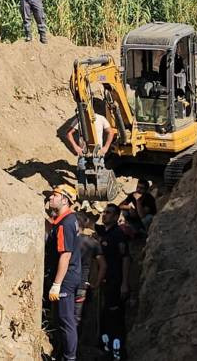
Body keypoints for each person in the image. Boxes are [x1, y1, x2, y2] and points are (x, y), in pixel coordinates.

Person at [45, 184, 81, 361]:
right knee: (60, 319)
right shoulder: (66, 220)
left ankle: (70, 357)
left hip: (65, 278)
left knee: (66, 320)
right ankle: (60, 354)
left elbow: (65, 256)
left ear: (65, 200)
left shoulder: (65, 225)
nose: (51, 198)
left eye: (54, 195)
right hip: (67, 276)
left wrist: (57, 284)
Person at [96, 202, 130, 359]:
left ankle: (118, 354)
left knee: (114, 319)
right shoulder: (106, 232)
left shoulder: (118, 235)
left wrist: (124, 283)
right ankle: (106, 350)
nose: (104, 214)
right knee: (105, 317)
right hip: (106, 281)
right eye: (104, 212)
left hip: (115, 282)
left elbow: (125, 259)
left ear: (116, 217)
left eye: (108, 213)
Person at [65, 98, 115, 185]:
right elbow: (69, 134)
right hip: (84, 153)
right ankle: (83, 195)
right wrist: (76, 147)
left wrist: (106, 148)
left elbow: (111, 132)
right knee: (82, 179)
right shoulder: (80, 119)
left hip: (98, 153)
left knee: (99, 179)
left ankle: (97, 195)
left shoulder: (101, 119)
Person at [75, 212, 105, 336]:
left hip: (66, 283)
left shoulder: (68, 240)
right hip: (83, 285)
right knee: (78, 318)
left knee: (63, 317)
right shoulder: (93, 243)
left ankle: (62, 349)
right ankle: (76, 349)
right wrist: (96, 283)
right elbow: (103, 265)